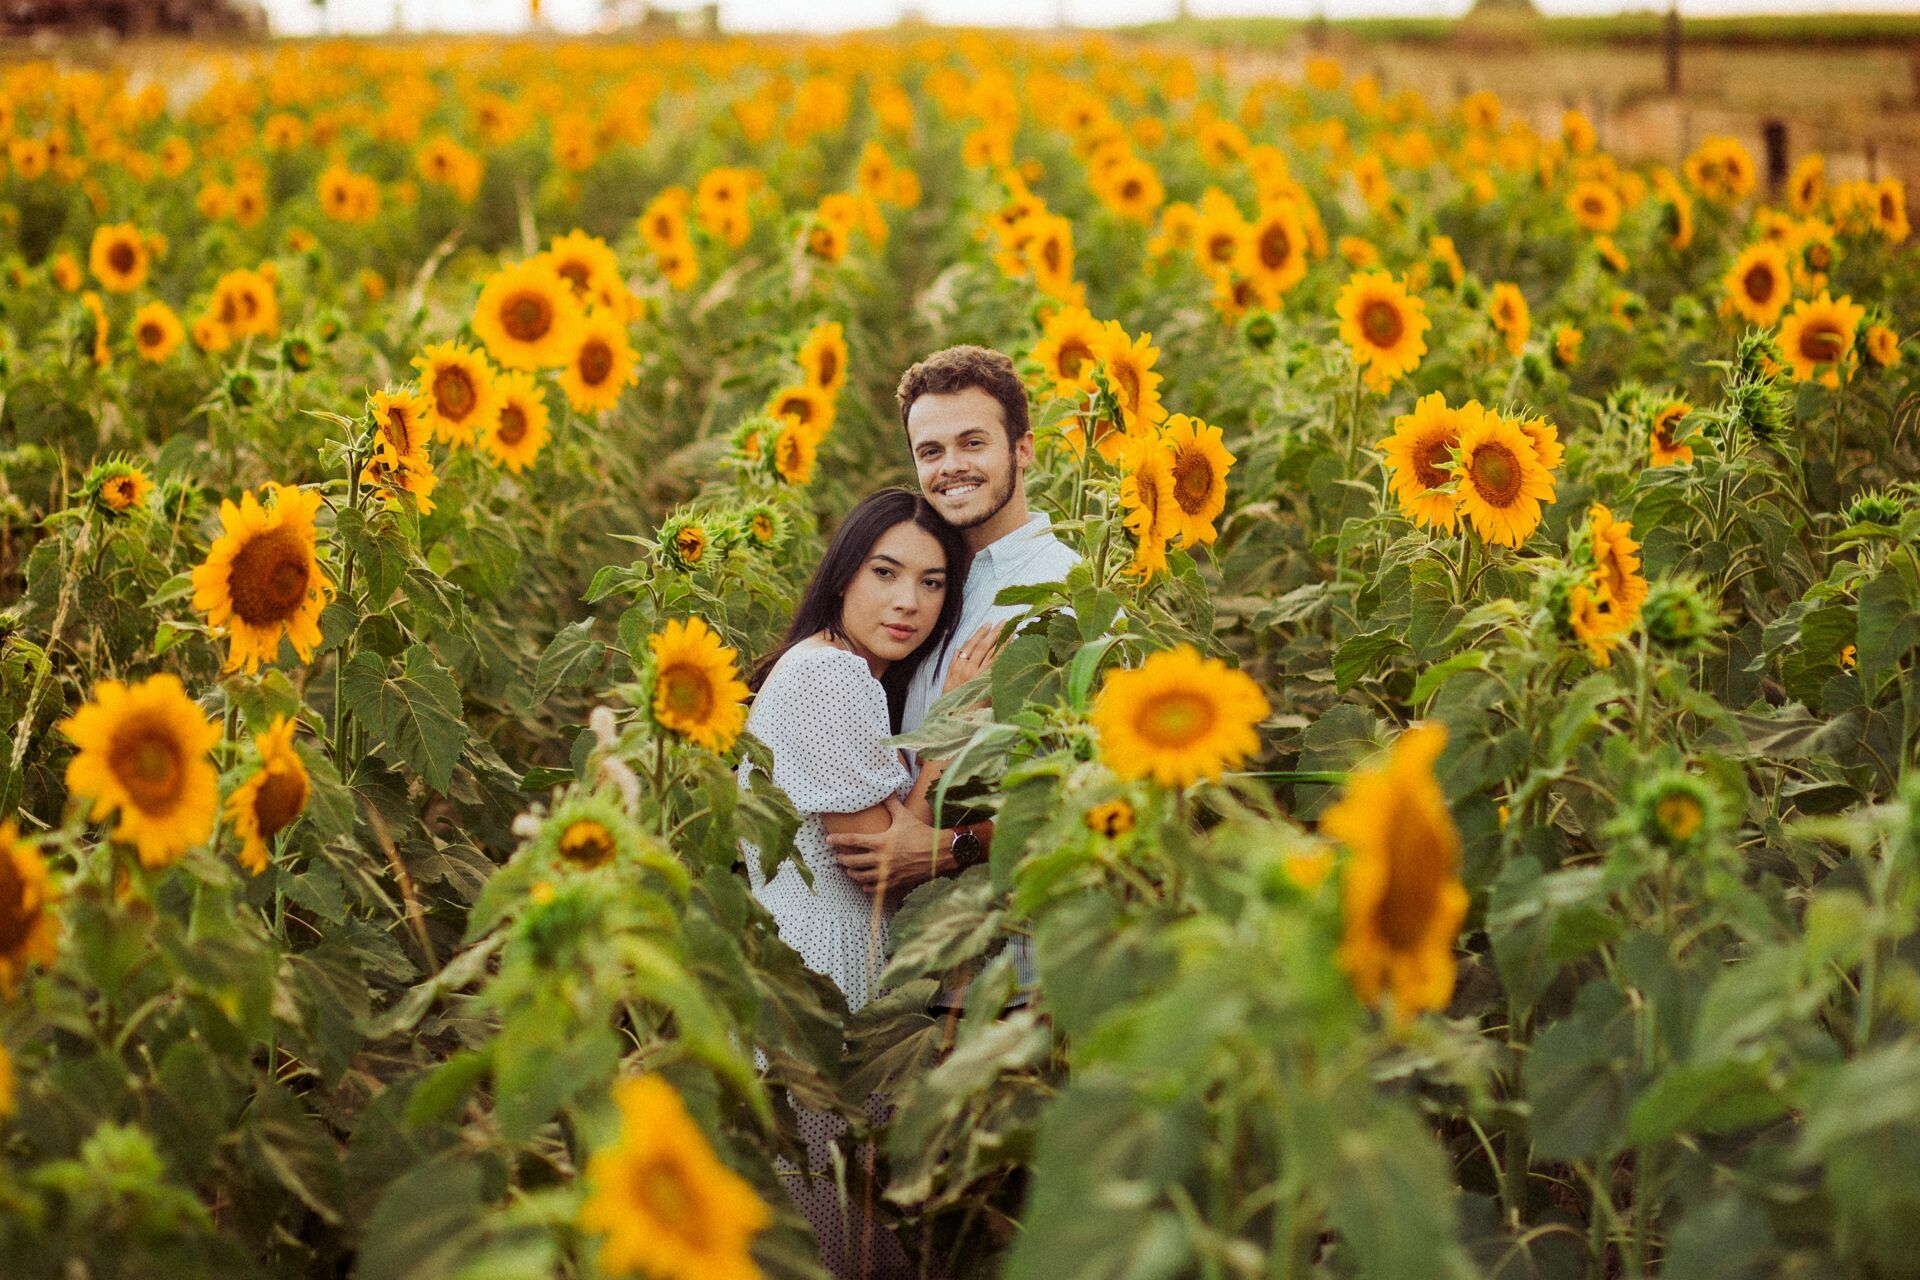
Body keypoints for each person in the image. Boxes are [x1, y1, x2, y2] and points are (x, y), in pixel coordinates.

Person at [737, 486, 989, 1279]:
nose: (906, 602)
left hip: (804, 967)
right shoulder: (830, 678)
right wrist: (949, 733)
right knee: (830, 1237)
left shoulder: (838, 674)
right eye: (885, 573)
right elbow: (880, 869)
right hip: (822, 973)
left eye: (931, 583)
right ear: (843, 575)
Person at [825, 345, 1081, 1012]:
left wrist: (944, 850)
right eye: (931, 451)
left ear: (1023, 450)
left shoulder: (1064, 591)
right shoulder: (931, 586)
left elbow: (1085, 794)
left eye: (973, 442)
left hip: (1021, 974)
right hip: (929, 972)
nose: (951, 467)